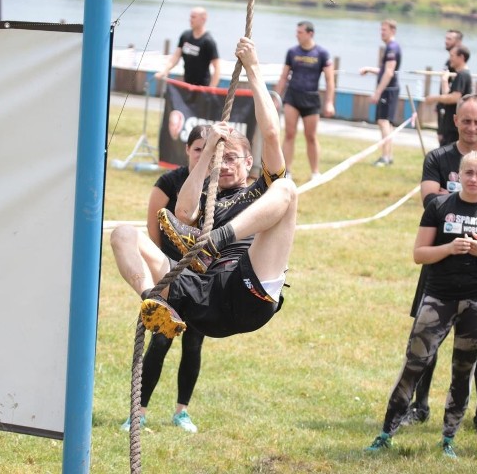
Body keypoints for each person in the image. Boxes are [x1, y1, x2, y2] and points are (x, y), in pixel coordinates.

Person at [111, 37, 295, 342]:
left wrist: (253, 69)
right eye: (220, 161)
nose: (224, 166)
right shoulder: (208, 198)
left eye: (232, 159)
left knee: (287, 188)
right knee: (122, 234)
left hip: (251, 287)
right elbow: (183, 212)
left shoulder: (263, 187)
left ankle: (217, 239)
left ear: (249, 161)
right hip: (202, 299)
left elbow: (272, 134)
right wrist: (209, 150)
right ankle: (154, 303)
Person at [366, 151, 477, 459]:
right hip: (438, 297)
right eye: (469, 172)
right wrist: (448, 248)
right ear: (459, 173)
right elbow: (419, 253)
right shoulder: (439, 205)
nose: (474, 179)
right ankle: (386, 433)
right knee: (414, 364)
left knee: (463, 369)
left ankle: (448, 438)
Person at [401, 94, 477, 436]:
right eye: (466, 120)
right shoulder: (437, 157)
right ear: (456, 121)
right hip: (440, 258)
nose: (472, 127)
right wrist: (464, 206)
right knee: (428, 332)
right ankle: (419, 406)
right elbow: (429, 200)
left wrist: (463, 210)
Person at [118, 125, 210, 433]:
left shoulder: (216, 185)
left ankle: (181, 411)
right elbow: (152, 227)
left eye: (207, 149)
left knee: (194, 344)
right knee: (160, 340)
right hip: (170, 270)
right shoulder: (169, 182)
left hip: (202, 278)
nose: (202, 154)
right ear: (187, 150)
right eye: (197, 148)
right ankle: (138, 412)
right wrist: (161, 272)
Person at [274, 21, 336, 179]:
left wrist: (329, 102)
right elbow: (283, 77)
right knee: (289, 133)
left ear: (310, 34)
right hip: (292, 97)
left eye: (300, 32)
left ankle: (315, 172)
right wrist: (276, 98)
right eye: (297, 32)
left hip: (311, 99)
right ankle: (286, 171)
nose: (297, 35)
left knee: (311, 136)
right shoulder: (292, 52)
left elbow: (330, 80)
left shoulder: (322, 53)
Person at [359, 19, 401, 167]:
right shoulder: (391, 47)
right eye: (381, 30)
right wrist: (370, 69)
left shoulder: (392, 48)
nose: (382, 32)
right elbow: (385, 70)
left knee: (383, 122)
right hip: (390, 89)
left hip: (388, 90)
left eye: (385, 30)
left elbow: (389, 72)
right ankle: (388, 155)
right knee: (386, 123)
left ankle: (385, 157)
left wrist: (377, 92)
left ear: (393, 31)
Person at [155, 7, 221, 87]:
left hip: (202, 87)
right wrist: (165, 71)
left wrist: (211, 89)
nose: (190, 19)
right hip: (187, 84)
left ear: (203, 19)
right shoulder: (185, 36)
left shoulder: (208, 41)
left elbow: (217, 67)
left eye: (193, 17)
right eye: (190, 17)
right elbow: (176, 57)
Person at [424, 45, 473, 146]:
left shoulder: (463, 75)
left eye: (452, 56)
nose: (450, 59)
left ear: (461, 57)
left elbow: (455, 98)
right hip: (450, 125)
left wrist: (434, 98)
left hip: (455, 128)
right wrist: (444, 79)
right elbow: (448, 95)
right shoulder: (459, 75)